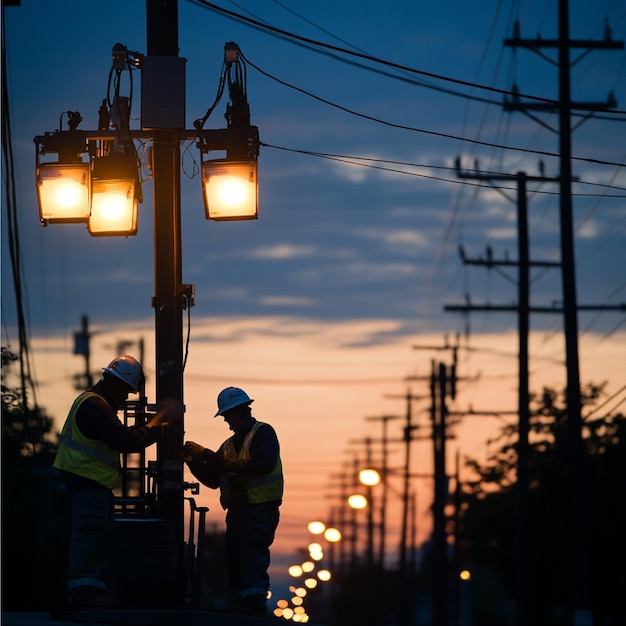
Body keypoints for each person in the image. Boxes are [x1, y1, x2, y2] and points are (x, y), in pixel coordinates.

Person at [53, 354, 182, 610]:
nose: (125, 399)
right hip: (89, 483)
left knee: (96, 538)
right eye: (126, 392)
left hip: (86, 484)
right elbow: (125, 441)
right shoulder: (97, 407)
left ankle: (92, 589)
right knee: (89, 537)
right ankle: (83, 593)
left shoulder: (90, 402)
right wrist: (155, 428)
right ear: (116, 384)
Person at [183, 386, 283, 616]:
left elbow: (261, 465)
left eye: (228, 417)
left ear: (238, 413)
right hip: (239, 509)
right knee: (235, 553)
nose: (227, 422)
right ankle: (241, 600)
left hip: (260, 506)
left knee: (252, 550)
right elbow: (214, 478)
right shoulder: (230, 445)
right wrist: (192, 461)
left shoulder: (263, 433)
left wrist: (206, 454)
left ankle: (254, 599)